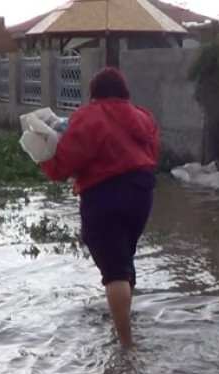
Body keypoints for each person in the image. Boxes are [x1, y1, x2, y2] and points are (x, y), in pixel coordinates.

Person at [38, 67, 160, 347]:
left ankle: (126, 346)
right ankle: (123, 323)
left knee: (114, 271)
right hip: (142, 194)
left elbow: (64, 164)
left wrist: (44, 155)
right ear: (124, 92)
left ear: (94, 94)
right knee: (124, 258)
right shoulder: (143, 117)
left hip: (104, 195)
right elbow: (151, 153)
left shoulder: (89, 117)